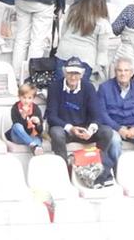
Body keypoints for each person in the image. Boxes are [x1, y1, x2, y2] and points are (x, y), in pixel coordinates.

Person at [46, 58, 115, 187]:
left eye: (76, 73)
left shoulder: (88, 87)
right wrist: (71, 128)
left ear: (82, 75)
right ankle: (64, 171)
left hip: (84, 129)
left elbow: (96, 115)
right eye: (70, 73)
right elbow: (51, 116)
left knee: (106, 131)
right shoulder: (55, 87)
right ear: (65, 73)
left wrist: (91, 129)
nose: (73, 76)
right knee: (56, 132)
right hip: (66, 129)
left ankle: (98, 167)